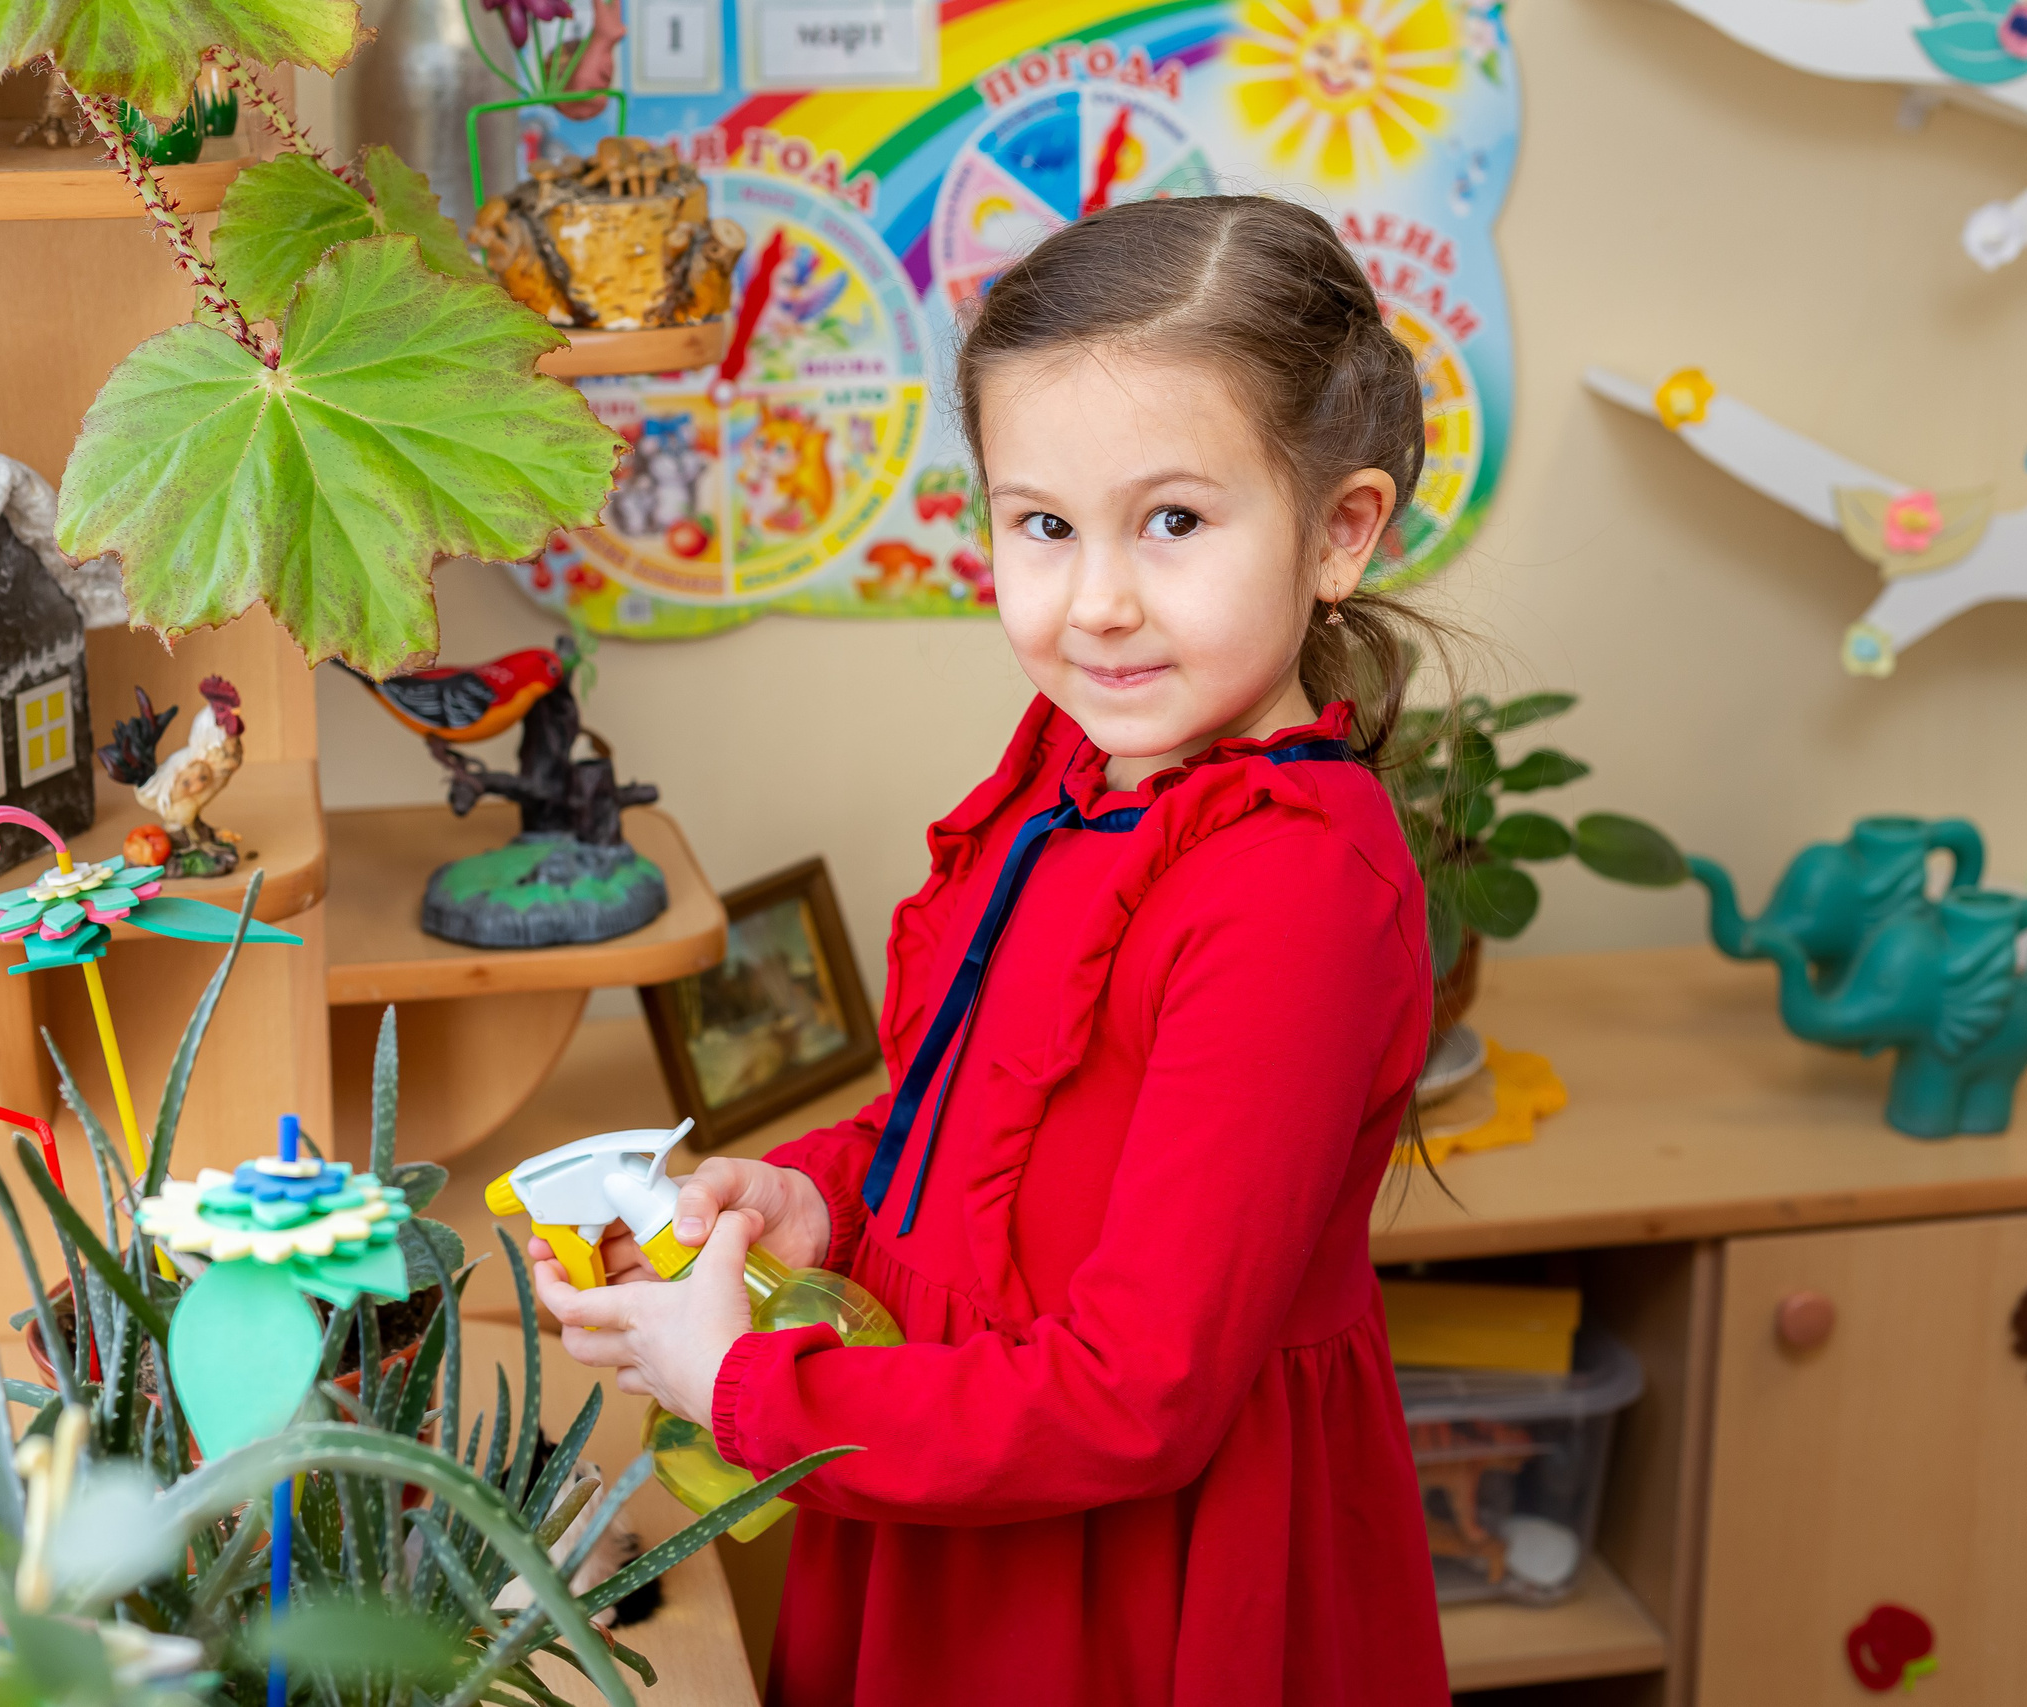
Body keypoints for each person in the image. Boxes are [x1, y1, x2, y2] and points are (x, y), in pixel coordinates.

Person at [533, 196, 1451, 1705]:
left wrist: (745, 1386)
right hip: (955, 1488)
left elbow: (1140, 1391)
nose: (1096, 602)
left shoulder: (1292, 890)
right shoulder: (1071, 767)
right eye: (1043, 524)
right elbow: (975, 1126)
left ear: (1339, 531)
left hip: (1131, 1575)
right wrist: (817, 1200)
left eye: (1174, 522)